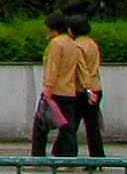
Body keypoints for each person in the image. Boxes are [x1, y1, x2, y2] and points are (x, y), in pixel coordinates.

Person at [32, 12, 78, 157]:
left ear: (54, 29)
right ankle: (70, 157)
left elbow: (53, 67)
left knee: (40, 126)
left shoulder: (56, 44)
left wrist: (48, 88)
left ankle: (38, 157)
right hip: (69, 90)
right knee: (67, 126)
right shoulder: (72, 43)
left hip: (55, 91)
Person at [67, 10, 106, 158]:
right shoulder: (92, 44)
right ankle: (98, 156)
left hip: (82, 90)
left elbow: (80, 69)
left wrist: (84, 86)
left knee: (71, 124)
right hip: (96, 87)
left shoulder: (76, 46)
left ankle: (64, 153)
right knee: (92, 125)